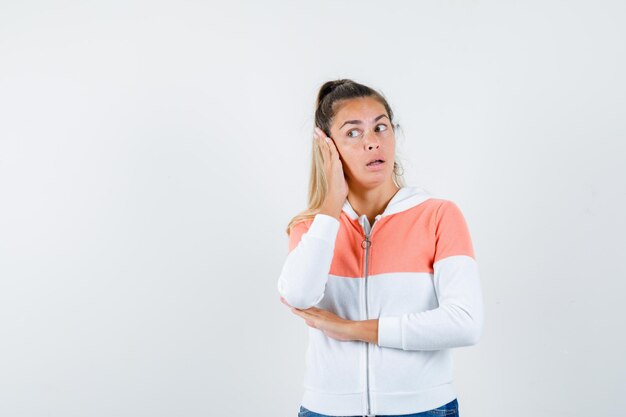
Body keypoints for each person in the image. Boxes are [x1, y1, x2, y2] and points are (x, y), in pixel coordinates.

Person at [277, 79, 484, 417]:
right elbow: (299, 296)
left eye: (381, 127)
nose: (372, 142)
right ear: (327, 147)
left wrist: (352, 329)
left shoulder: (438, 216)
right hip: (327, 410)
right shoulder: (311, 228)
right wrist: (330, 209)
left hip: (422, 408)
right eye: (353, 133)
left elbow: (465, 322)